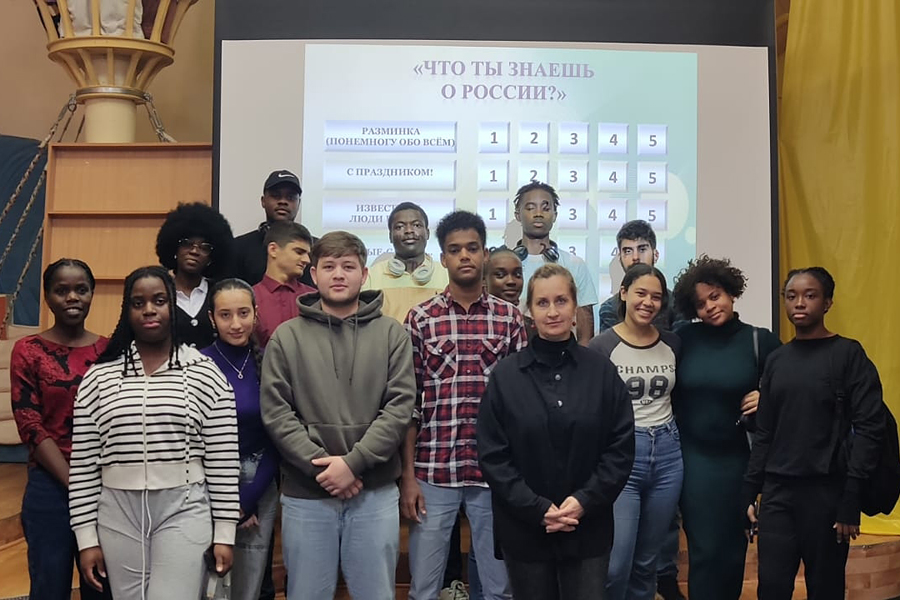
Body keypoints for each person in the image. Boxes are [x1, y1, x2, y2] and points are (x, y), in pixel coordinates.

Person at [260, 231, 416, 600]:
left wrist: (353, 464)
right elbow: (277, 413)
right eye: (329, 266)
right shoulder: (286, 337)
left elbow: (399, 408)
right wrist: (325, 469)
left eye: (348, 266)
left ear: (364, 274)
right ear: (313, 274)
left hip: (374, 493)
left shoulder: (392, 334)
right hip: (306, 495)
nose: (339, 274)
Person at [68, 266, 240, 599]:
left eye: (159, 301)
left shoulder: (205, 374)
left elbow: (223, 462)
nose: (149, 310)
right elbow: (84, 467)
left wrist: (224, 533)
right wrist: (86, 539)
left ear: (172, 306)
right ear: (126, 310)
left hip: (183, 509)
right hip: (117, 512)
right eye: (138, 303)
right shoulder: (99, 378)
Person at [477, 262, 635, 600]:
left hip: (588, 526)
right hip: (525, 530)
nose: (552, 312)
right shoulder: (506, 377)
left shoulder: (602, 372)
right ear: (529, 312)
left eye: (561, 301)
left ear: (575, 307)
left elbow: (620, 448)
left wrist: (583, 501)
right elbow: (493, 456)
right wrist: (537, 508)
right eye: (542, 303)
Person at [403, 210, 527, 600]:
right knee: (423, 588)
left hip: (494, 471)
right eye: (455, 250)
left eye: (472, 248)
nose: (464, 256)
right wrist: (407, 477)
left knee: (499, 589)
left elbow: (522, 406)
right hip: (433, 469)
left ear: (485, 254)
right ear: (443, 258)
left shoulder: (510, 319)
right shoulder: (421, 319)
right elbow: (408, 405)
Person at [743, 267, 885, 600]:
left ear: (828, 302)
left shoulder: (848, 354)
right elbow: (765, 432)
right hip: (778, 494)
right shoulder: (777, 360)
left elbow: (870, 429)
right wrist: (749, 491)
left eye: (810, 295)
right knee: (772, 588)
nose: (799, 303)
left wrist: (850, 498)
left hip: (827, 494)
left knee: (825, 588)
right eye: (791, 296)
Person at [670, 255, 780, 600]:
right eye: (701, 304)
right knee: (704, 551)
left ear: (731, 293)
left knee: (733, 550)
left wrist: (767, 397)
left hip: (739, 462)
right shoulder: (683, 338)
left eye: (715, 296)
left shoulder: (760, 340)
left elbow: (790, 390)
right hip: (695, 461)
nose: (710, 307)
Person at [11, 259, 112, 600]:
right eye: (61, 290)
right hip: (50, 487)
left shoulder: (109, 350)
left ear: (92, 294)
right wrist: (74, 483)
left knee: (101, 587)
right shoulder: (28, 350)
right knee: (49, 586)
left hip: (104, 485)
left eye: (81, 290)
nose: (72, 298)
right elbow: (30, 424)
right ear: (47, 296)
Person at [590, 263, 683, 600]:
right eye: (641, 293)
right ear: (624, 293)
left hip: (668, 453)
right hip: (624, 455)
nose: (648, 302)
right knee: (617, 564)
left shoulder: (673, 343)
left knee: (648, 562)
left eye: (656, 297)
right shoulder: (601, 347)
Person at [203, 279, 280, 600]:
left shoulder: (272, 362)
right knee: (205, 588)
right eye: (225, 315)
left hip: (259, 489)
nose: (236, 324)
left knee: (246, 590)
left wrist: (246, 501)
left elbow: (277, 438)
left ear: (256, 314)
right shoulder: (197, 364)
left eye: (243, 313)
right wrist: (224, 504)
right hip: (204, 491)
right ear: (212, 318)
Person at [512, 181, 597, 344]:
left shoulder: (575, 264)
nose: (538, 214)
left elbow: (585, 333)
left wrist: (582, 358)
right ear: (518, 215)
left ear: (555, 215)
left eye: (545, 208)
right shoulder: (504, 267)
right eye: (530, 208)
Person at [155, 201, 234, 348]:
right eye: (187, 243)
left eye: (204, 247)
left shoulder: (220, 294)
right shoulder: (159, 292)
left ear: (212, 257)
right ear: (174, 248)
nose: (194, 251)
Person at [362, 201, 449, 322]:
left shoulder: (446, 275)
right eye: (400, 227)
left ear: (428, 233)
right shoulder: (371, 277)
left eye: (417, 225)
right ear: (390, 236)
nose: (409, 231)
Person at [232, 170, 315, 288]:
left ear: (299, 203)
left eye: (290, 197)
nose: (283, 201)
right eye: (276, 196)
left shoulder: (316, 249)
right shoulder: (239, 247)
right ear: (263, 201)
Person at [597, 220, 677, 333]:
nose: (635, 257)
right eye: (628, 251)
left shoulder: (675, 303)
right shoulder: (609, 309)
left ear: (656, 255)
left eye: (642, 249)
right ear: (620, 258)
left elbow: (679, 342)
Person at [252, 221, 316, 348]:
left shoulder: (314, 298)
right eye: (299, 252)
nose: (307, 260)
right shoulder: (249, 298)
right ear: (273, 250)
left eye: (308, 254)